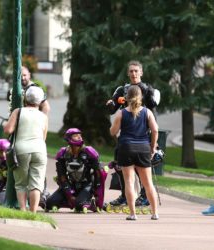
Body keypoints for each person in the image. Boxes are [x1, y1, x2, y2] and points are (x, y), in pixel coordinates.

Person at [106, 60, 160, 208]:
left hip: (144, 133)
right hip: (126, 135)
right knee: (120, 165)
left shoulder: (148, 89)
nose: (134, 74)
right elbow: (112, 108)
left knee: (142, 168)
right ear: (128, 73)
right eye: (131, 71)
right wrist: (111, 104)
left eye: (136, 71)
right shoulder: (122, 89)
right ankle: (125, 196)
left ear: (141, 72)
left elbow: (153, 107)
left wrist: (153, 143)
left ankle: (144, 196)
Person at [4, 86, 48, 213]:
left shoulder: (18, 111)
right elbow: (44, 136)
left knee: (21, 183)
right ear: (39, 101)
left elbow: (8, 130)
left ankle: (23, 210)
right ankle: (33, 212)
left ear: (25, 98)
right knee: (36, 183)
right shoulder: (43, 116)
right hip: (40, 149)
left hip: (21, 149)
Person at [45, 128, 107, 213]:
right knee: (49, 203)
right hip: (71, 184)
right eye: (75, 136)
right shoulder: (63, 152)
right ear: (69, 138)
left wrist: (97, 194)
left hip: (87, 185)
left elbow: (98, 173)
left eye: (80, 135)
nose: (79, 137)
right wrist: (69, 192)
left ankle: (92, 204)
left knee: (79, 205)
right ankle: (71, 201)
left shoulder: (88, 151)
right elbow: (62, 175)